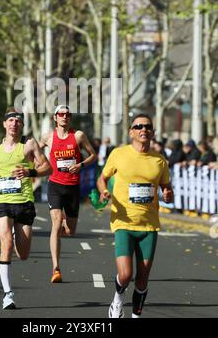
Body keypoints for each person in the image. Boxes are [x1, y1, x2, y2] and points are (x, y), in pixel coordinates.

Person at [97, 113, 173, 318]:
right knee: (125, 274)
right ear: (131, 132)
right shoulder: (119, 154)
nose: (143, 130)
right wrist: (104, 191)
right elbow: (101, 179)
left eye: (147, 127)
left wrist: (167, 194)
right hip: (123, 222)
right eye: (138, 126)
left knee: (142, 279)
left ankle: (136, 316)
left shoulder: (159, 161)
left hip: (149, 226)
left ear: (153, 132)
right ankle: (117, 301)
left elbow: (167, 188)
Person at [0, 107, 52, 310]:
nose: (14, 123)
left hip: (24, 202)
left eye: (18, 121)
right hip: (2, 201)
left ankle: (14, 234)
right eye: (11, 120)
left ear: (21, 125)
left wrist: (30, 171)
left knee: (23, 254)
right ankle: (8, 294)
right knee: (6, 244)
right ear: (4, 124)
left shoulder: (29, 144)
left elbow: (47, 167)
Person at [40, 104, 97, 283]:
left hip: (72, 187)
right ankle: (56, 268)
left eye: (68, 114)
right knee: (55, 224)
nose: (65, 116)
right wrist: (37, 166)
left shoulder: (78, 136)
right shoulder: (48, 137)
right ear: (55, 118)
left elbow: (93, 155)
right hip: (55, 185)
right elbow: (33, 152)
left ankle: (64, 224)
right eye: (61, 114)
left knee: (70, 231)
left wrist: (80, 165)